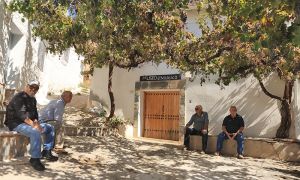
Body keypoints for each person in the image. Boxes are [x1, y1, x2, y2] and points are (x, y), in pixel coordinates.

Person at [4, 80, 58, 171]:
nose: (33, 89)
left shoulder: (33, 99)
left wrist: (37, 123)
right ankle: (35, 159)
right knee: (35, 132)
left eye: (36, 88)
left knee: (50, 128)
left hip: (28, 123)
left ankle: (46, 151)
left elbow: (35, 115)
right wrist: (35, 126)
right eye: (31, 87)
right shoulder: (19, 98)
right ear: (27, 86)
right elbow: (22, 116)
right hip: (16, 123)